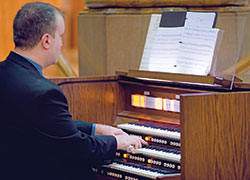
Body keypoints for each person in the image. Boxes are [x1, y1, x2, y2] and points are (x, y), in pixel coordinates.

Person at [0, 2, 147, 180]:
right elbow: (77, 149)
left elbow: (44, 125)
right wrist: (117, 142)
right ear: (46, 40)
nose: (61, 44)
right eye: (60, 36)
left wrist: (96, 129)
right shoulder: (45, 93)